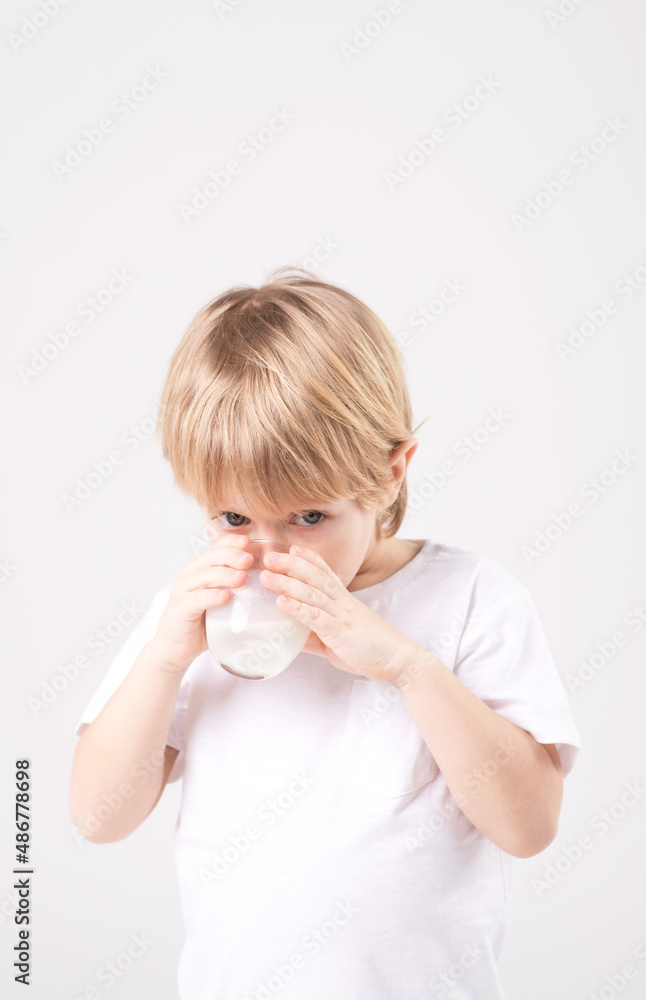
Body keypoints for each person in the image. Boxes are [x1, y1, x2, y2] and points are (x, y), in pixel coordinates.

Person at [69, 266, 581, 999]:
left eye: (308, 518)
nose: (271, 553)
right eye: (234, 519)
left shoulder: (472, 598)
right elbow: (97, 816)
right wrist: (162, 659)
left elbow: (528, 827)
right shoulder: (193, 617)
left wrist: (407, 668)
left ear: (390, 471)